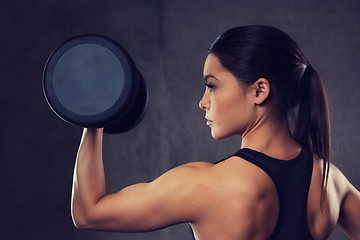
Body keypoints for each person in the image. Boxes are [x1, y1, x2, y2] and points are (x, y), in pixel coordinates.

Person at [71, 25, 360, 239]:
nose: (203, 101)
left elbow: (88, 213)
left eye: (212, 85)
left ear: (259, 90)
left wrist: (96, 113)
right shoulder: (330, 181)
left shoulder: (205, 186)